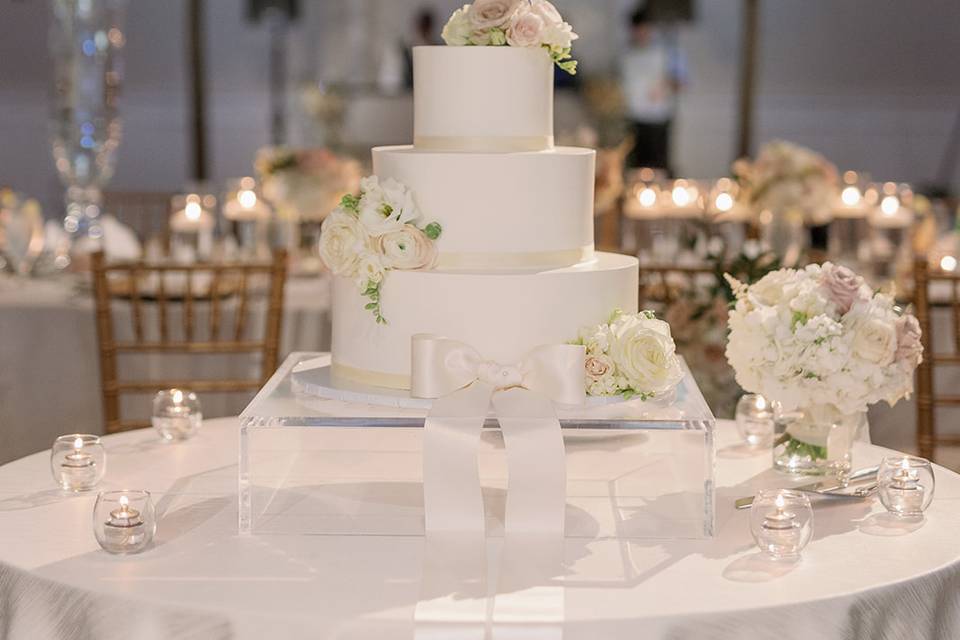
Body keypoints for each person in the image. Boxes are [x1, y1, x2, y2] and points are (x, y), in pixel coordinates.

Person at [619, 4, 688, 175]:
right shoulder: (626, 54)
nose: (640, 33)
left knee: (658, 165)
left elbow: (681, 81)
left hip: (658, 118)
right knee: (634, 166)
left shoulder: (666, 52)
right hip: (633, 118)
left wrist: (664, 86)